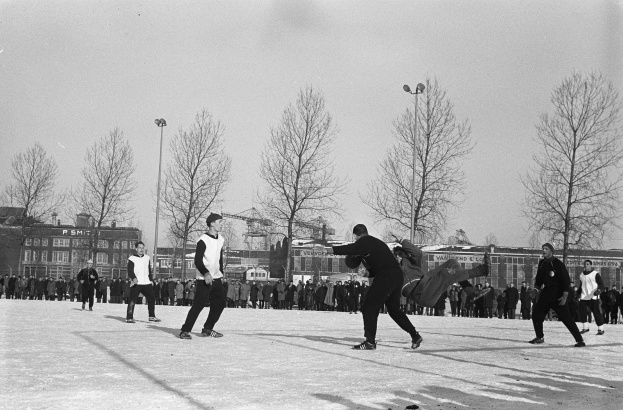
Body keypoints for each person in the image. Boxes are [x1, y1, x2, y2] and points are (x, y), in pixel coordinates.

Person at [326, 224, 422, 350]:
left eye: (355, 238)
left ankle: (370, 342)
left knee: (369, 307)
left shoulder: (366, 241)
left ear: (357, 235)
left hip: (386, 276)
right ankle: (415, 335)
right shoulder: (376, 244)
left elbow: (351, 248)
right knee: (394, 310)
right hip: (395, 275)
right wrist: (367, 273)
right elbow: (378, 267)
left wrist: (329, 250)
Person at [395, 238, 490, 309]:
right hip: (419, 294)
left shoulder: (412, 264)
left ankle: (470, 291)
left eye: (401, 255)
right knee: (445, 274)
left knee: (452, 263)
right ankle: (480, 270)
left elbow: (418, 253)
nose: (399, 258)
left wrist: (403, 241)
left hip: (426, 283)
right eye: (396, 256)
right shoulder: (393, 270)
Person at [179, 213, 227, 340]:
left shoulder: (221, 239)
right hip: (204, 279)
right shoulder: (202, 240)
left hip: (216, 278)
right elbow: (198, 261)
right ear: (212, 223)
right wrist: (206, 273)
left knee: (220, 303)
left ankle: (208, 328)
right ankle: (185, 330)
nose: (221, 224)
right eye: (219, 222)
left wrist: (220, 272)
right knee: (198, 305)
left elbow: (219, 259)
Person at [529, 243, 584, 347]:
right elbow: (539, 280)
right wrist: (535, 290)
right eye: (543, 249)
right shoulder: (541, 263)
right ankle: (539, 337)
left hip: (558, 293)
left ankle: (579, 340)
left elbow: (566, 281)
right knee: (536, 315)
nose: (544, 251)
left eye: (546, 249)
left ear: (551, 251)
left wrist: (564, 296)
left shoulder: (558, 264)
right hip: (546, 292)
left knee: (566, 318)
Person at [126, 241, 160, 323]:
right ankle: (129, 317)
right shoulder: (131, 259)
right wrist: (133, 278)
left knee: (151, 298)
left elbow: (149, 270)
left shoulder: (147, 258)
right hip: (136, 282)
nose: (141, 249)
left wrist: (151, 280)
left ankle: (151, 316)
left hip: (146, 282)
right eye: (140, 248)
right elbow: (130, 270)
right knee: (132, 299)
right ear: (136, 248)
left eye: (142, 248)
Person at [577, 259, 605, 335]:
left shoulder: (595, 274)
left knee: (596, 312)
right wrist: (578, 293)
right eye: (585, 264)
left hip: (593, 296)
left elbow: (601, 284)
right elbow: (581, 285)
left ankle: (600, 329)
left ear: (591, 265)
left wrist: (598, 290)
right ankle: (585, 327)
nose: (586, 265)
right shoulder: (581, 275)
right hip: (584, 296)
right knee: (582, 311)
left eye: (588, 264)